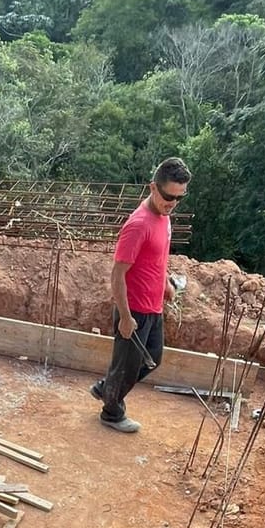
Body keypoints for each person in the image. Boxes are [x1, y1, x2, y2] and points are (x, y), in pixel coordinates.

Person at [91, 156, 192, 433]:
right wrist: (125, 317)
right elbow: (117, 274)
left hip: (153, 306)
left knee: (153, 358)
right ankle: (111, 412)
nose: (172, 203)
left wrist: (166, 285)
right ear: (152, 187)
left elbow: (156, 260)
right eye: (168, 196)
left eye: (179, 198)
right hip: (134, 310)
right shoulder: (138, 225)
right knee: (128, 365)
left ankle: (107, 387)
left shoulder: (164, 218)